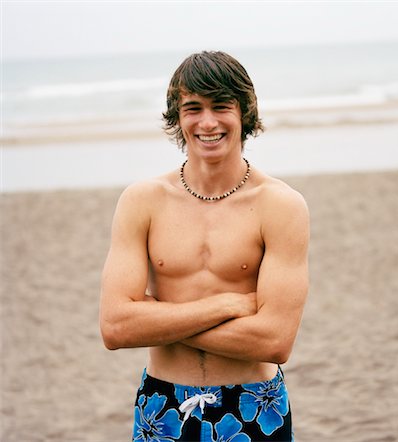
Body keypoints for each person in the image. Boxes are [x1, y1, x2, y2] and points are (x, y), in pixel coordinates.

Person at [100, 50, 309, 442]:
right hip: (162, 404)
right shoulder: (142, 201)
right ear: (177, 118)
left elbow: (275, 341)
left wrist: (154, 320)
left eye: (221, 106)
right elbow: (114, 327)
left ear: (244, 112)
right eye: (193, 108)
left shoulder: (280, 206)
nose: (208, 122)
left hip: (255, 403)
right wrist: (226, 305)